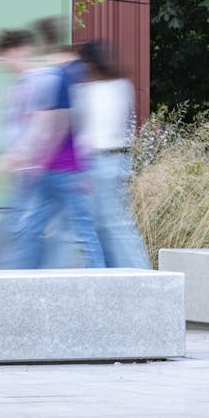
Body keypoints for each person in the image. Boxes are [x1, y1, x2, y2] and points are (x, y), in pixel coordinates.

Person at [10, 19, 105, 269]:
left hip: (60, 166)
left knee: (47, 225)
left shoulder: (61, 75)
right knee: (69, 227)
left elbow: (63, 122)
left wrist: (35, 159)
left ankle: (21, 276)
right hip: (59, 166)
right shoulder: (69, 74)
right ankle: (22, 276)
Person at [73, 40, 149, 269]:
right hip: (119, 159)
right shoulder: (121, 86)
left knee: (103, 223)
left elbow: (85, 132)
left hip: (97, 160)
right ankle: (129, 272)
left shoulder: (87, 91)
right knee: (111, 222)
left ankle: (132, 273)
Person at [0, 28, 41, 268]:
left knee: (21, 228)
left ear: (15, 52)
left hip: (31, 169)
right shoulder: (20, 85)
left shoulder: (33, 84)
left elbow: (36, 127)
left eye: (2, 54)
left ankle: (12, 279)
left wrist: (13, 157)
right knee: (21, 227)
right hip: (24, 170)